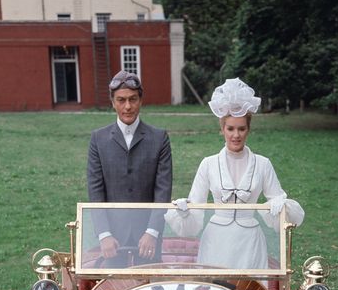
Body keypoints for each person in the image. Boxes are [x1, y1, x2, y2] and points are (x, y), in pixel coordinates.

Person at [166, 78, 304, 269]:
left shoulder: (263, 164)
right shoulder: (208, 164)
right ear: (222, 129)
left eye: (241, 129)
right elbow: (195, 207)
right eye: (230, 129)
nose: (236, 135)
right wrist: (184, 210)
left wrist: (279, 204)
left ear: (248, 130)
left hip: (250, 242)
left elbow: (280, 204)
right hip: (216, 241)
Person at [88, 70, 172, 265]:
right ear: (113, 102)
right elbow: (95, 189)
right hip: (113, 237)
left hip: (148, 235)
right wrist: (104, 234)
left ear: (141, 100)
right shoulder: (98, 139)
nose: (127, 106)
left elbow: (163, 189)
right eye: (121, 100)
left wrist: (152, 232)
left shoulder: (159, 138)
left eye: (133, 99)